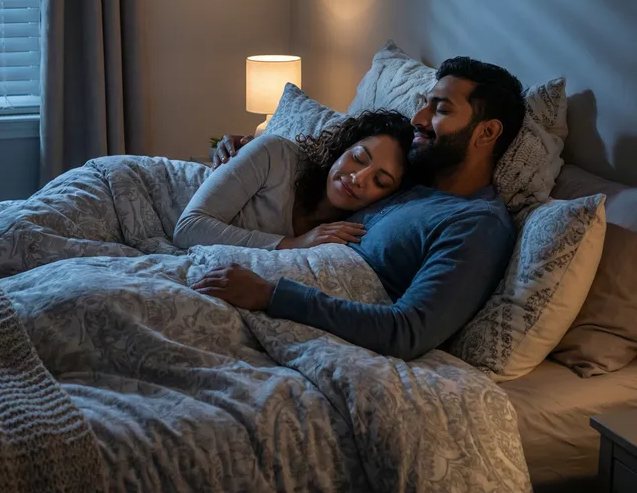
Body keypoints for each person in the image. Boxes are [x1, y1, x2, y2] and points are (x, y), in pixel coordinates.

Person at [192, 57, 526, 361]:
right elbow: (339, 163)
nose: (418, 119)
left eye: (440, 110)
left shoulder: (476, 225)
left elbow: (407, 332)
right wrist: (252, 145)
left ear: (487, 132)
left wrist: (270, 294)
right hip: (244, 280)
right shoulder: (413, 180)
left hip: (273, 308)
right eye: (425, 105)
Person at [174, 110, 414, 251]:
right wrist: (291, 243)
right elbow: (188, 229)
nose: (358, 178)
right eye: (358, 158)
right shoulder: (275, 154)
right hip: (162, 197)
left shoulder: (353, 233)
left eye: (380, 182)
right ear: (343, 148)